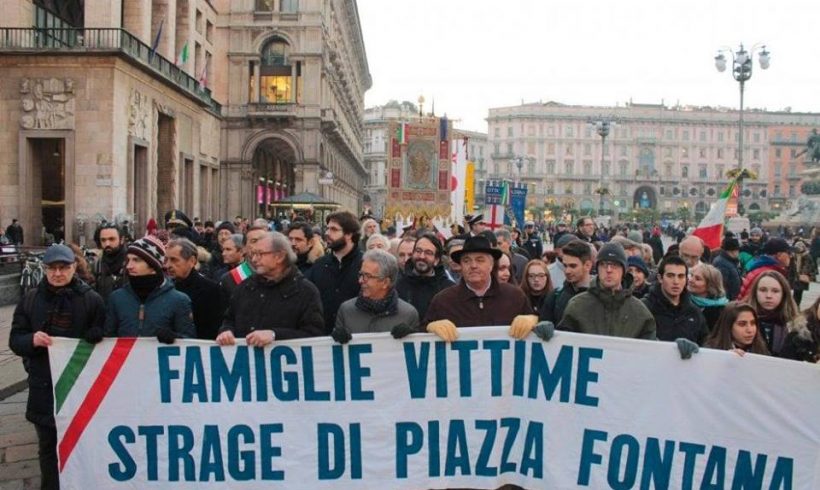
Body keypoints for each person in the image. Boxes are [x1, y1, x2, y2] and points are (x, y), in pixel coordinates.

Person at [9, 244, 105, 489]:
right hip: (43, 384)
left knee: (81, 445)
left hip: (78, 387)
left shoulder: (91, 300)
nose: (58, 273)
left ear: (74, 268)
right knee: (48, 447)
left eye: (64, 268)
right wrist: (31, 340)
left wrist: (97, 335)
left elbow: (105, 338)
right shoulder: (31, 299)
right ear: (45, 270)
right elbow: (16, 338)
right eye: (52, 268)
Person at [423, 235, 542, 342]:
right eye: (466, 261)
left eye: (480, 260)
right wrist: (430, 328)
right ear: (461, 266)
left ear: (491, 265)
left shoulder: (515, 296)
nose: (473, 266)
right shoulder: (443, 301)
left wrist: (533, 320)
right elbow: (418, 339)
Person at [217, 232, 325, 346]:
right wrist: (226, 331)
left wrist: (275, 335)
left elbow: (314, 334)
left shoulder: (306, 291)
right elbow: (229, 319)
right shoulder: (245, 287)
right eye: (253, 254)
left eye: (260, 254)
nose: (254, 259)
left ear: (279, 256)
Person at [104, 236, 195, 341]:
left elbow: (189, 340)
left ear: (153, 266)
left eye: (136, 260)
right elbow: (108, 338)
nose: (129, 266)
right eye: (128, 260)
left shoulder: (179, 300)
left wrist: (175, 338)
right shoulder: (116, 298)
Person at [560, 242, 656, 339]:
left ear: (624, 270)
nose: (609, 270)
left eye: (614, 265)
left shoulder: (640, 312)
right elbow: (562, 342)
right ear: (597, 269)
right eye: (603, 264)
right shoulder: (577, 306)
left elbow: (650, 348)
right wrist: (549, 335)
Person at [332, 249, 419, 341]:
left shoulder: (408, 315)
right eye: (361, 274)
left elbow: (416, 351)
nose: (360, 280)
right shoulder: (346, 311)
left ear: (385, 282)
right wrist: (336, 340)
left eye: (368, 276)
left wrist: (411, 336)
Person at [307, 211, 363, 333]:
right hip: (323, 336)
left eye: (334, 229)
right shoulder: (319, 265)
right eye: (327, 229)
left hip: (356, 336)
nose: (327, 233)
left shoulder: (365, 264)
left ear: (348, 234)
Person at [165, 238, 224, 340]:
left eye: (174, 260)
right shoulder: (164, 289)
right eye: (166, 260)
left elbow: (214, 331)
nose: (168, 265)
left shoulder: (211, 290)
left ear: (192, 261)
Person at [642, 256, 709, 344]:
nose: (676, 282)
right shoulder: (644, 308)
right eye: (670, 276)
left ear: (686, 280)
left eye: (681, 276)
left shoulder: (694, 312)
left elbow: (706, 342)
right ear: (660, 278)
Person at [744, 270, 806, 359]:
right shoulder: (740, 318)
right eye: (763, 290)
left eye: (775, 291)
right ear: (755, 292)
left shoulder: (795, 325)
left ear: (784, 294)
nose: (768, 295)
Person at [395, 233, 454, 322]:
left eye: (428, 253)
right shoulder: (398, 286)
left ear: (436, 260)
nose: (421, 256)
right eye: (418, 251)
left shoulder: (448, 289)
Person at [540, 240, 593, 324]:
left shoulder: (603, 296)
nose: (567, 271)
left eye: (573, 266)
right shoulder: (555, 297)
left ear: (587, 265)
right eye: (565, 266)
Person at [704, 302, 770, 356]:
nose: (750, 330)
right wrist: (725, 357)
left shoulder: (761, 348)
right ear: (728, 326)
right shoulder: (711, 350)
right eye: (742, 324)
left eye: (753, 323)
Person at [93, 223, 129, 303]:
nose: (107, 244)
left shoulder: (131, 264)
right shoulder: (96, 265)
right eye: (103, 240)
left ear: (122, 240)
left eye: (112, 239)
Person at [688, 263, 730, 331]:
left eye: (697, 279)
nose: (690, 280)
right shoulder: (683, 300)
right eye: (691, 275)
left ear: (710, 285)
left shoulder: (721, 310)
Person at [712, 236, 742, 301]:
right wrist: (728, 301)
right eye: (738, 250)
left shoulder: (730, 261)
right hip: (727, 301)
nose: (738, 252)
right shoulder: (722, 264)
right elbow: (722, 286)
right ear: (733, 251)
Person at [792, 240, 816, 306]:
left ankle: (796, 306)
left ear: (803, 247)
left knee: (799, 293)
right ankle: (795, 306)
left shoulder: (807, 256)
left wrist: (802, 273)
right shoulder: (794, 255)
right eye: (797, 248)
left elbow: (809, 266)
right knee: (795, 292)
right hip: (795, 277)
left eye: (799, 248)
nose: (798, 249)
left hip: (802, 277)